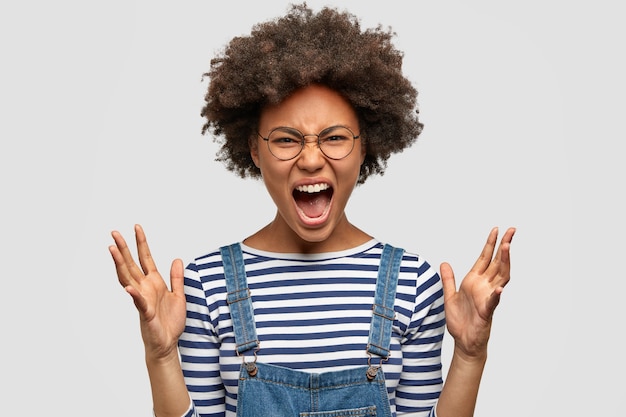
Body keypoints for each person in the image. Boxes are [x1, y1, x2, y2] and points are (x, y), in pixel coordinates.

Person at [109, 4, 515, 417]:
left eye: (334, 137)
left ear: (364, 146)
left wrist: (469, 356)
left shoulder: (414, 284)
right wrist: (160, 357)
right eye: (286, 140)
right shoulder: (204, 287)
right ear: (254, 150)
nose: (310, 159)